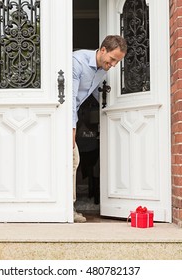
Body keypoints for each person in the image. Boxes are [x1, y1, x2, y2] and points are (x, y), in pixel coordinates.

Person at [72, 35, 127, 222]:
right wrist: (71, 131)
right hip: (60, 114)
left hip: (74, 113)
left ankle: (67, 208)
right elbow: (70, 100)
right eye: (112, 59)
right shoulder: (77, 62)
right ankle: (66, 209)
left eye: (117, 62)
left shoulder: (102, 69)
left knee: (72, 162)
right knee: (72, 160)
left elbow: (95, 92)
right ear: (102, 50)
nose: (112, 65)